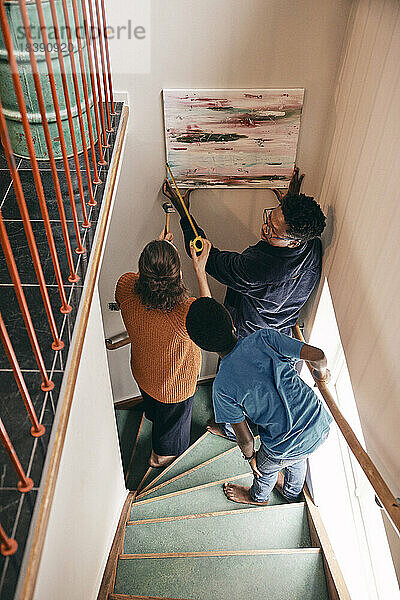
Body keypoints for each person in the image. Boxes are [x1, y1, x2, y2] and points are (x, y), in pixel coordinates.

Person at [185, 296, 332, 505]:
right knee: (299, 456)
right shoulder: (265, 338)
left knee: (264, 469)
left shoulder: (222, 387)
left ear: (202, 347)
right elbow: (318, 356)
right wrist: (322, 375)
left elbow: (245, 440)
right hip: (319, 422)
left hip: (283, 444)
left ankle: (258, 497)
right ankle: (291, 492)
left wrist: (250, 458)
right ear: (232, 322)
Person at [162, 167, 326, 339]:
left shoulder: (255, 270)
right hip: (280, 332)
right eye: (269, 217)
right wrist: (290, 200)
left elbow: (204, 256)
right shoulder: (312, 245)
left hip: (248, 336)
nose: (265, 228)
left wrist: (184, 213)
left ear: (293, 242)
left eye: (273, 230)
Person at [115, 231, 211, 468]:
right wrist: (199, 269)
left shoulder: (125, 287)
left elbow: (141, 282)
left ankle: (154, 419)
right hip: (173, 387)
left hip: (143, 371)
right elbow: (211, 320)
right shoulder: (186, 313)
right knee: (171, 432)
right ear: (178, 275)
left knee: (154, 409)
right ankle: (160, 458)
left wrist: (159, 252)